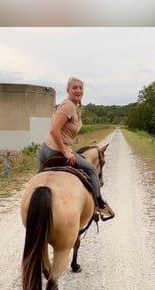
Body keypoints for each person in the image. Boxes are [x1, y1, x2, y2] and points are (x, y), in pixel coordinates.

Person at [37, 77, 115, 221]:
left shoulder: (74, 106)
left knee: (38, 183)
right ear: (68, 90)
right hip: (56, 151)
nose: (78, 90)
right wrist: (66, 151)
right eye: (74, 88)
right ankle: (99, 204)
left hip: (44, 151)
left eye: (80, 88)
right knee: (91, 170)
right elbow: (54, 130)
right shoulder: (69, 106)